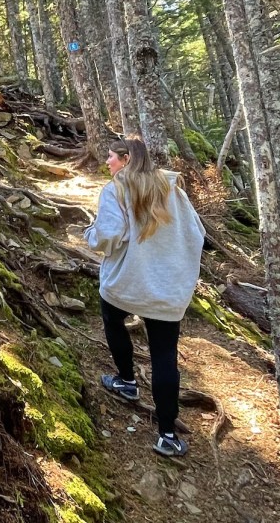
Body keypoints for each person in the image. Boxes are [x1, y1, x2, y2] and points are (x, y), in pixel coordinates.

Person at [84, 137, 205, 457]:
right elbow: (197, 233)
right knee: (164, 354)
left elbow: (108, 235)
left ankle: (126, 381)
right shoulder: (173, 190)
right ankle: (167, 435)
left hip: (127, 284)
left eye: (110, 157)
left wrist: (89, 234)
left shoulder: (116, 189)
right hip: (167, 289)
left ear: (125, 159)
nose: (106, 162)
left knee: (112, 319)